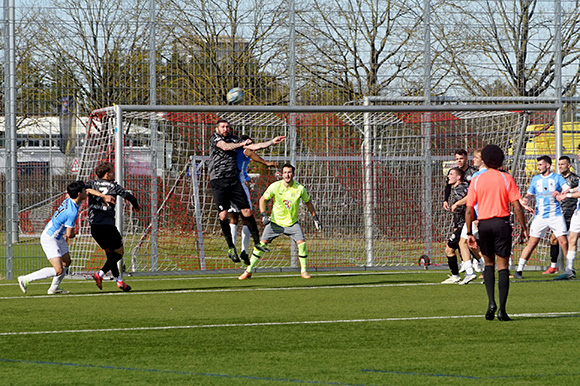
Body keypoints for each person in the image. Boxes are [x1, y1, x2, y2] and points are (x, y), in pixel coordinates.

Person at [209, 118, 285, 263]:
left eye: (227, 127)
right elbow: (225, 147)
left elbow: (254, 147)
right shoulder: (216, 138)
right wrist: (243, 144)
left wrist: (270, 142)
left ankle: (256, 243)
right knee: (224, 215)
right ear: (217, 128)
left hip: (234, 180)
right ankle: (231, 247)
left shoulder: (234, 140)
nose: (225, 129)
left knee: (247, 212)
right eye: (223, 127)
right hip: (218, 181)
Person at [466, 144, 528, 321]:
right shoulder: (506, 178)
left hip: (484, 224)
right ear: (501, 160)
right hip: (501, 223)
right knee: (503, 266)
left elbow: (469, 210)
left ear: (484, 159)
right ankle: (503, 310)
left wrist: (470, 232)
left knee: (488, 264)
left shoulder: (477, 179)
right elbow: (517, 206)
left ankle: (490, 303)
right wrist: (524, 229)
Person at [238, 163, 321, 280]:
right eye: (285, 172)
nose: (287, 175)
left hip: (292, 223)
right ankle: (248, 270)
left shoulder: (300, 189)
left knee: (301, 243)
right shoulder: (275, 186)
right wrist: (263, 215)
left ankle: (304, 271)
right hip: (275, 223)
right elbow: (262, 199)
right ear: (282, 174)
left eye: (290, 172)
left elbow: (308, 202)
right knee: (261, 244)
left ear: (293, 174)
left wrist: (315, 218)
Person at [18, 181, 87, 294]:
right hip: (50, 238)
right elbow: (70, 234)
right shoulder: (72, 212)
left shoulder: (69, 200)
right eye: (84, 190)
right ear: (79, 193)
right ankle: (25, 279)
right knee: (58, 270)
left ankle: (54, 288)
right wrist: (76, 234)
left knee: (67, 262)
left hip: (57, 237)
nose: (86, 192)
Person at [86, 162, 140, 292]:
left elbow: (85, 189)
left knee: (110, 254)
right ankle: (100, 274)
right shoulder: (114, 186)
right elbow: (129, 196)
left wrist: (99, 195)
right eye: (111, 172)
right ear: (106, 174)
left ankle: (120, 282)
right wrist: (136, 205)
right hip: (108, 225)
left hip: (94, 226)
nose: (113, 174)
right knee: (119, 253)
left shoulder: (91, 184)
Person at [513, 155, 569, 279]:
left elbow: (567, 189)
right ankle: (519, 270)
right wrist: (526, 199)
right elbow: (529, 194)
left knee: (563, 242)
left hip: (556, 215)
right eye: (537, 165)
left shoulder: (557, 178)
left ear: (548, 165)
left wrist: (561, 193)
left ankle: (569, 270)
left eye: (540, 165)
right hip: (540, 216)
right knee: (532, 242)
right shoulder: (536, 179)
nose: (538, 167)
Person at [229, 135, 277, 264]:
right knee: (247, 218)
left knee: (233, 218)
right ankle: (244, 251)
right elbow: (249, 152)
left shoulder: (233, 151)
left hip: (229, 186)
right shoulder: (245, 150)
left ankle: (232, 247)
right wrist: (266, 163)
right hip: (239, 186)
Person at [544, 155, 579, 274]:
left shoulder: (574, 179)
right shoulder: (556, 179)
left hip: (571, 212)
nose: (560, 166)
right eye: (558, 164)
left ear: (569, 165)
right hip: (558, 213)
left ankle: (568, 268)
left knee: (566, 239)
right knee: (554, 239)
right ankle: (554, 266)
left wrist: (567, 193)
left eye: (562, 164)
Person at [441, 167, 470, 284]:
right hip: (461, 224)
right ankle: (481, 268)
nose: (448, 176)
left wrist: (457, 203)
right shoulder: (457, 188)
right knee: (472, 248)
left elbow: (470, 199)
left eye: (451, 174)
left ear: (458, 177)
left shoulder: (461, 188)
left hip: (466, 223)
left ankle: (457, 275)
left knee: (449, 249)